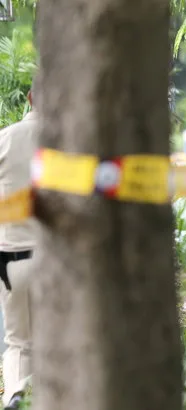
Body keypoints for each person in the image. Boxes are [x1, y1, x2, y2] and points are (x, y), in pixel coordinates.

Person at [0, 85, 39, 409]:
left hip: (13, 258)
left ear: (29, 97)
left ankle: (16, 395)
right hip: (63, 262)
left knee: (19, 343)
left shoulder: (6, 138)